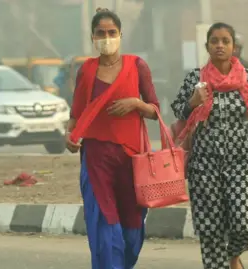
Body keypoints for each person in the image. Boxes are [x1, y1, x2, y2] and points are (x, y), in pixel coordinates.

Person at [171, 22, 248, 269]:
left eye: (225, 41)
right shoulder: (195, 78)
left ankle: (234, 256)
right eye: (215, 41)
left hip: (240, 160)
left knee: (243, 221)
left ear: (234, 47)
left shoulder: (247, 79)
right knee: (209, 226)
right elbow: (178, 111)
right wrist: (192, 102)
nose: (220, 45)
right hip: (204, 162)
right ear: (207, 46)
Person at [65, 8, 159, 269]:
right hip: (97, 159)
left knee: (131, 229)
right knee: (106, 227)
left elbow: (155, 110)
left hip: (131, 160)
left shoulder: (137, 66)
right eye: (100, 33)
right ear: (92, 37)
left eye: (111, 33)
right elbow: (76, 114)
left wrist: (135, 104)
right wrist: (68, 136)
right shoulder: (86, 70)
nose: (106, 38)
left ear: (120, 35)